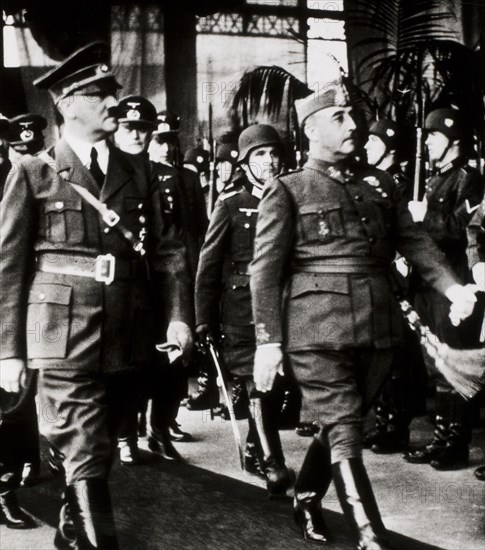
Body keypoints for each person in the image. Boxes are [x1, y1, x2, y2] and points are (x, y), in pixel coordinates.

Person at [249, 79, 478, 549]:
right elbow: (264, 272)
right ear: (311, 130)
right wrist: (268, 341)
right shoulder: (288, 190)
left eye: (352, 116)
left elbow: (413, 241)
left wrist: (453, 288)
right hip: (316, 328)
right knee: (345, 424)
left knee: (345, 419)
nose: (352, 125)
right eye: (339, 118)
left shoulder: (381, 183)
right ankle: (370, 537)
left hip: (378, 326)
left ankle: (308, 495)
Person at [0, 42, 192, 550]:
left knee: (100, 441)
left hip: (129, 327)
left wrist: (177, 317)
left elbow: (170, 252)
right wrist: (8, 350)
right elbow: (8, 265)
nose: (114, 102)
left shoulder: (142, 172)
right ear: (68, 105)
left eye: (112, 90)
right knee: (84, 444)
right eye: (100, 93)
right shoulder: (35, 172)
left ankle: (73, 518)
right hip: (59, 330)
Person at [195, 124, 293, 497]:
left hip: (284, 304)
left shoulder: (291, 196)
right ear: (245, 162)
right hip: (242, 307)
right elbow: (208, 266)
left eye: (273, 153)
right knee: (258, 384)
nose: (269, 161)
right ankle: (273, 464)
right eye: (260, 155)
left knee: (277, 383)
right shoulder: (231, 203)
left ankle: (255, 445)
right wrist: (204, 318)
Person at [405, 107, 484, 470]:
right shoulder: (435, 178)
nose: (428, 143)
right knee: (435, 360)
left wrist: (426, 219)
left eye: (433, 136)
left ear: (452, 140)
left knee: (454, 357)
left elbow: (462, 228)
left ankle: (456, 440)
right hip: (426, 282)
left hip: (452, 282)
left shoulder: (468, 179)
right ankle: (442, 435)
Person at [363, 119, 428, 454]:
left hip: (402, 275)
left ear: (388, 148)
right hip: (385, 274)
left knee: (399, 357)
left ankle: (398, 426)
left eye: (373, 143)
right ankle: (385, 421)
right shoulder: (372, 182)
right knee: (384, 353)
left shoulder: (397, 184)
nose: (367, 148)